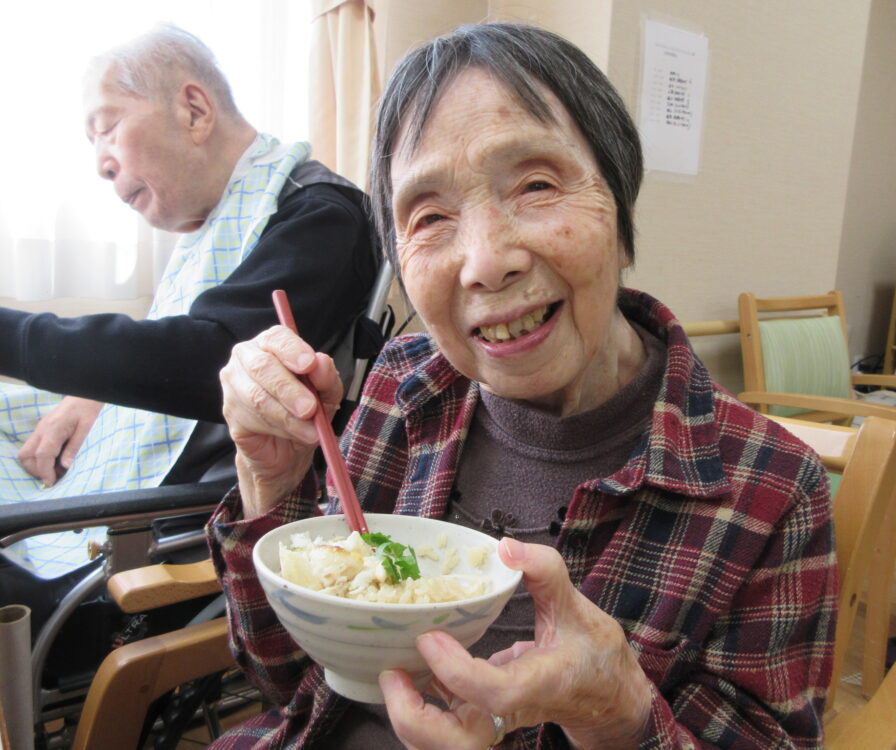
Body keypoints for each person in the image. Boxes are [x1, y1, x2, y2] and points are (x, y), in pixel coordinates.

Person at [208, 23, 837, 749]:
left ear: (620, 202)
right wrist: (267, 480)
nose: (485, 262)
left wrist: (620, 714)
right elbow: (287, 682)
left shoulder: (770, 490)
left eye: (537, 185)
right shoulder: (400, 387)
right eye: (431, 216)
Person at [0, 24, 377, 578]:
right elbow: (182, 336)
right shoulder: (214, 230)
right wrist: (96, 396)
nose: (100, 164)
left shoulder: (321, 216)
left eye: (106, 129)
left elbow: (215, 358)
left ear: (195, 111)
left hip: (157, 545)